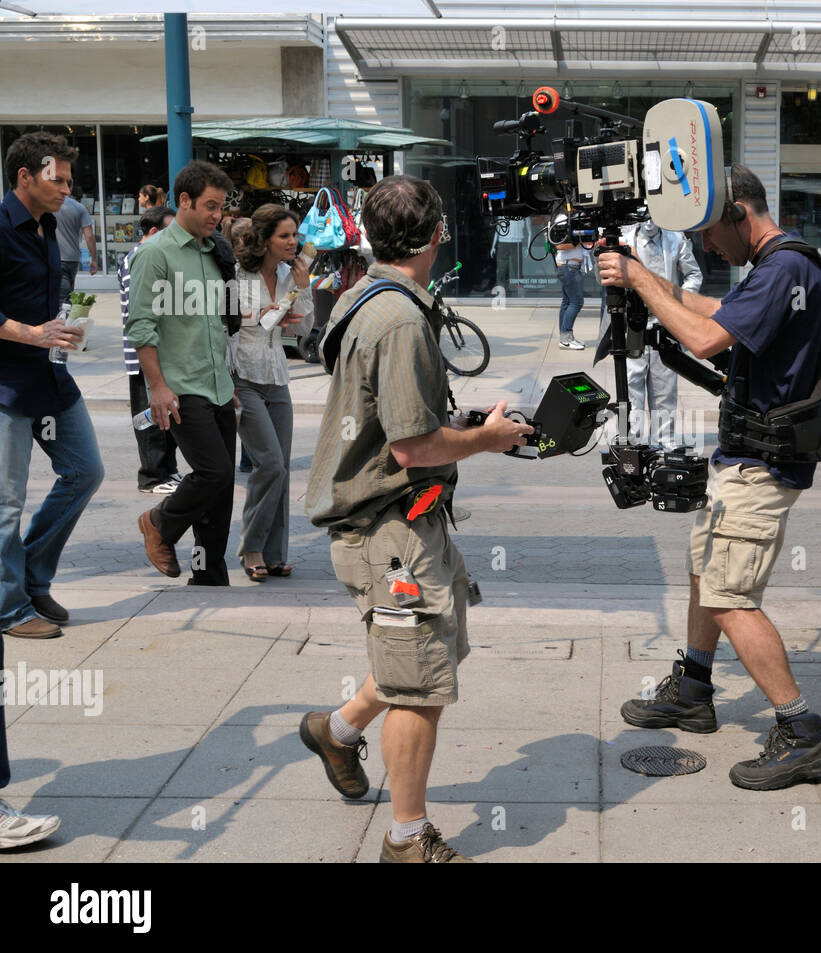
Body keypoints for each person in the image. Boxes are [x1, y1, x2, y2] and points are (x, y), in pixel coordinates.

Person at [302, 175, 531, 863]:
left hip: (401, 519)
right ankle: (406, 837)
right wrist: (487, 439)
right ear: (436, 237)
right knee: (420, 684)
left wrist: (465, 420)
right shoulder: (399, 318)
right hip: (388, 529)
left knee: (422, 656)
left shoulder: (368, 295)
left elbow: (397, 419)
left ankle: (335, 730)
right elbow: (411, 447)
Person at [598, 164, 821, 791]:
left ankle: (801, 732)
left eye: (708, 230)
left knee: (731, 595)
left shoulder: (784, 267)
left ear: (738, 211)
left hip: (762, 465)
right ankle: (695, 687)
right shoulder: (780, 267)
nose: (706, 245)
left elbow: (705, 338)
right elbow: (717, 311)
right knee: (707, 570)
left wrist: (642, 278)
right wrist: (649, 285)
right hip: (744, 460)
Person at [0, 131, 107, 849]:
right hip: (7, 383)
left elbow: (49, 301)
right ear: (24, 176)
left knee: (87, 470)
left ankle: (34, 577)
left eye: (69, 179)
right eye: (59, 179)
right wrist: (31, 334)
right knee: (4, 504)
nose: (68, 188)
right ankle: (11, 605)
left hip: (50, 377)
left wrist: (61, 331)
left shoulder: (50, 226)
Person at [127, 159, 238, 587]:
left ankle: (208, 572)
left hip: (217, 384)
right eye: (210, 206)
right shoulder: (154, 254)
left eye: (221, 208)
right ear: (185, 200)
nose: (216, 215)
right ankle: (158, 522)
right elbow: (140, 325)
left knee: (221, 489)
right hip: (178, 386)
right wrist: (156, 386)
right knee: (215, 473)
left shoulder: (216, 253)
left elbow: (217, 323)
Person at [229, 204, 313, 581]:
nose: (293, 242)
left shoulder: (289, 274)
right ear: (264, 240)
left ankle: (275, 554)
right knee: (270, 465)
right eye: (285, 236)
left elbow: (305, 330)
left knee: (280, 468)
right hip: (242, 376)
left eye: (294, 235)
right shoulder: (235, 275)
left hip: (277, 376)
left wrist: (303, 290)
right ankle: (251, 547)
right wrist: (264, 311)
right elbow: (224, 326)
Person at [617, 220, 702, 447]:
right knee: (631, 386)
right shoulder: (624, 238)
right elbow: (605, 279)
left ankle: (664, 440)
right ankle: (632, 441)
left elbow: (694, 274)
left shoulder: (676, 238)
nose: (648, 221)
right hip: (632, 324)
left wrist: (679, 301)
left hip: (664, 324)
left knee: (665, 389)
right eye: (644, 214)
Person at [119, 204, 181, 495]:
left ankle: (168, 470)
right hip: (143, 356)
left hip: (162, 354)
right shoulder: (138, 259)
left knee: (165, 416)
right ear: (154, 232)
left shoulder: (159, 256)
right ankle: (152, 476)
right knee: (149, 420)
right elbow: (142, 314)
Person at [53, 184, 97, 304]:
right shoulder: (79, 208)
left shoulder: (49, 206)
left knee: (62, 300)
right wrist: (94, 259)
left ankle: (63, 320)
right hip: (73, 258)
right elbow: (89, 236)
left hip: (55, 258)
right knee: (67, 295)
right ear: (71, 188)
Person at [554, 222, 587, 350]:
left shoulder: (567, 218)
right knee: (577, 302)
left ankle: (565, 337)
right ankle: (566, 339)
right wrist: (581, 241)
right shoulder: (563, 219)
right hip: (569, 267)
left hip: (569, 267)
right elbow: (559, 245)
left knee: (567, 302)